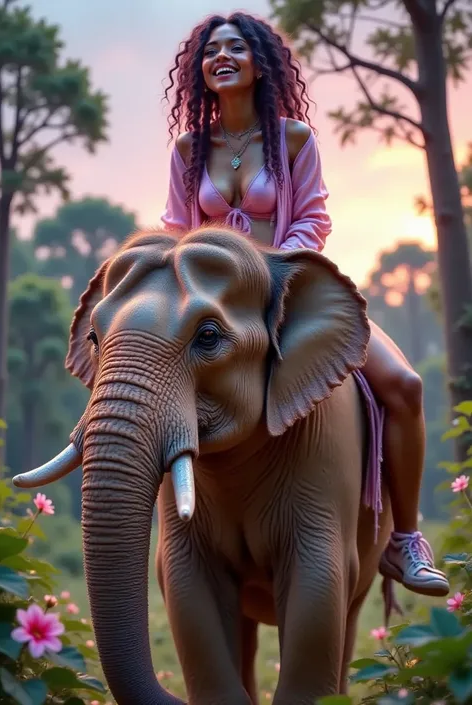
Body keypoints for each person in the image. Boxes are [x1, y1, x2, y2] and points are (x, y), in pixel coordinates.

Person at [160, 11, 449, 597]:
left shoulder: (293, 138)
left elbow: (313, 218)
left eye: (236, 47)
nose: (223, 56)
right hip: (212, 306)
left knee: (406, 387)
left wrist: (270, 271)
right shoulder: (189, 149)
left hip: (292, 287)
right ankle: (152, 529)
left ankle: (404, 540)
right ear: (199, 70)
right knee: (134, 379)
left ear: (260, 62)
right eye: (211, 50)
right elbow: (174, 229)